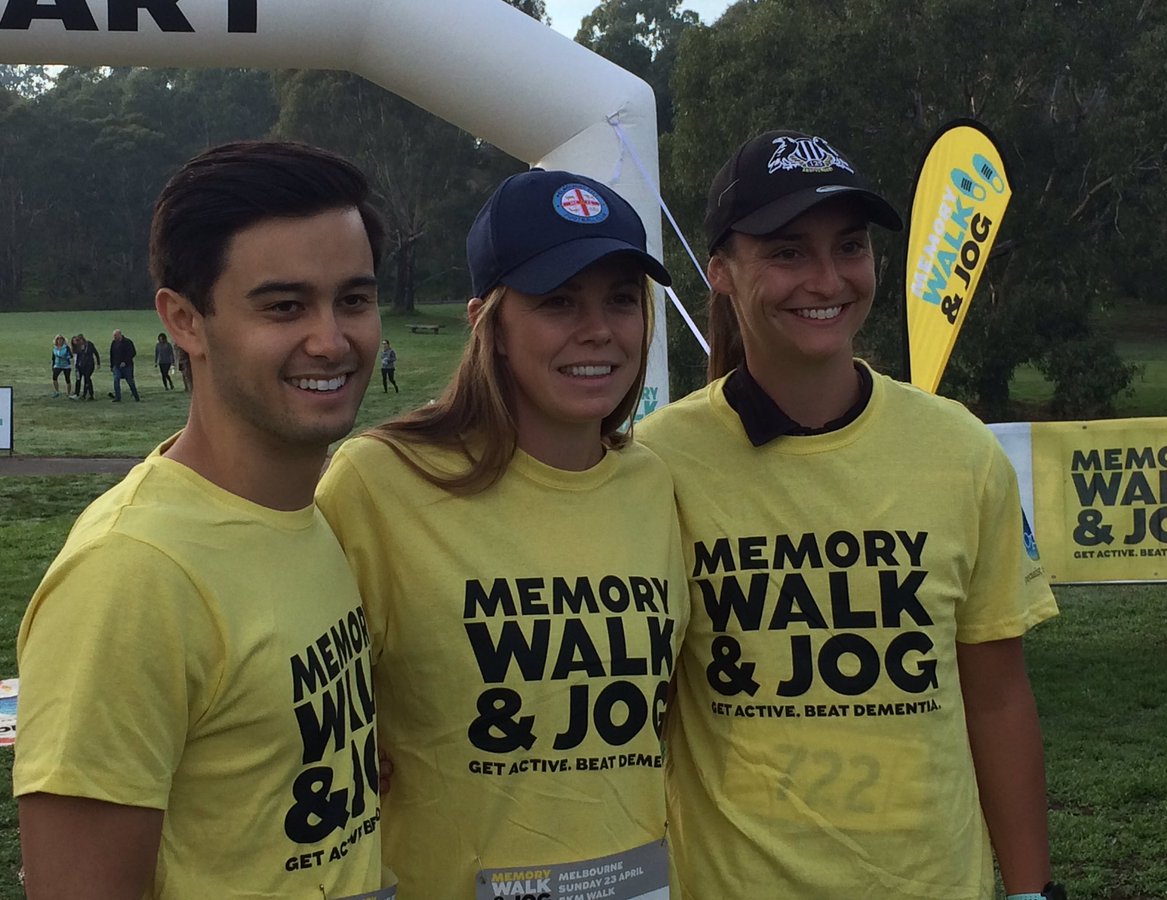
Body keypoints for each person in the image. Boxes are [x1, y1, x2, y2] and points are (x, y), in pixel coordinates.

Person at [638, 130, 1066, 900]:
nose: (828, 278)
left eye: (850, 246)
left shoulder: (959, 451)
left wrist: (1034, 892)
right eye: (789, 252)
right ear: (724, 273)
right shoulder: (655, 465)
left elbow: (998, 697)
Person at [15, 140, 396, 899]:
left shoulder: (306, 512)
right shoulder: (129, 578)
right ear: (184, 320)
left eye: (353, 299)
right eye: (285, 306)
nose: (332, 339)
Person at [317, 169, 685, 898]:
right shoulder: (379, 482)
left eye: (621, 299)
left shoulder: (656, 484)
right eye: (558, 302)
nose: (599, 331)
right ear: (488, 320)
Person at [109, 328, 140, 402]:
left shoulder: (127, 342)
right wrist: (112, 365)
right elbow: (112, 354)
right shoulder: (114, 343)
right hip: (116, 366)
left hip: (127, 366)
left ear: (120, 334)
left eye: (115, 335)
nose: (114, 337)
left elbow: (133, 353)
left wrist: (125, 361)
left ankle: (136, 396)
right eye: (114, 336)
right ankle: (117, 397)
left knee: (130, 381)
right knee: (116, 380)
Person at [72, 333, 101, 401]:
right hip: (81, 366)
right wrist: (77, 366)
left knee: (87, 378)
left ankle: (88, 394)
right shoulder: (78, 346)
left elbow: (96, 353)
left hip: (89, 365)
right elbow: (78, 356)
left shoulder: (89, 344)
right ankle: (85, 394)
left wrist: (98, 363)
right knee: (81, 379)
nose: (78, 342)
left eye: (79, 340)